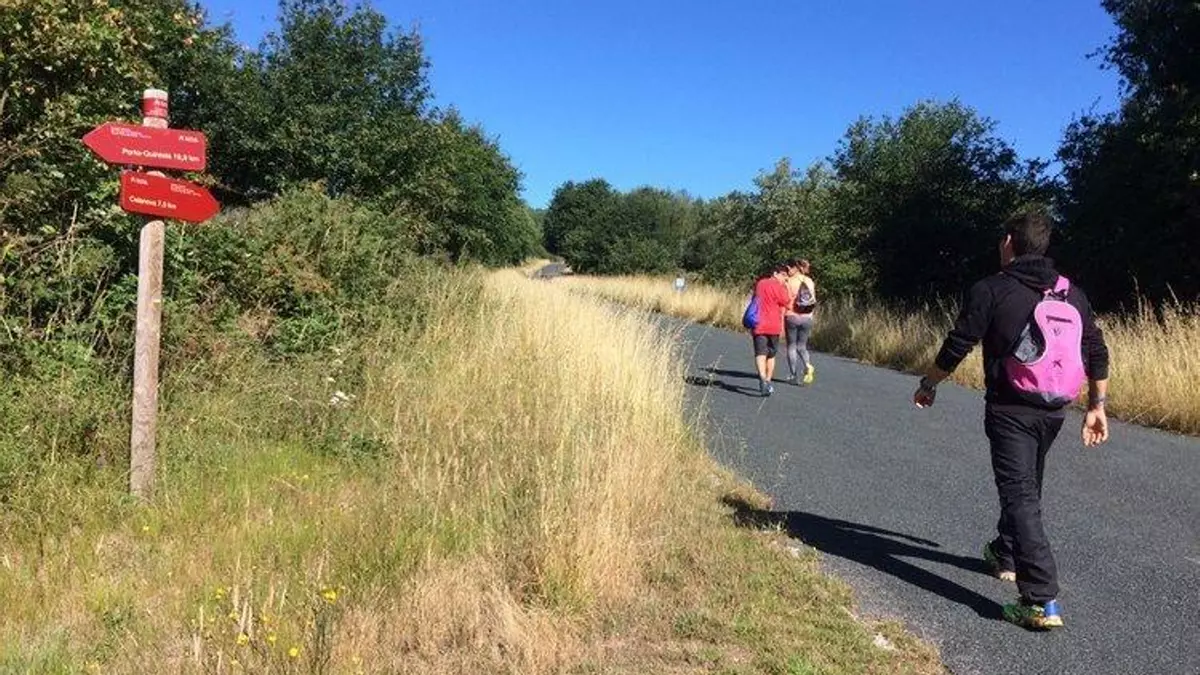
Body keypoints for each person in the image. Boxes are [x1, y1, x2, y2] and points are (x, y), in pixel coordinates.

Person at [912, 207, 1110, 631]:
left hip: (1010, 409)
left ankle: (1040, 599)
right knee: (1026, 484)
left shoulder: (992, 289)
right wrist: (1097, 406)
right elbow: (1096, 350)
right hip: (1055, 409)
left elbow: (959, 342)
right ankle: (1004, 552)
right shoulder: (1071, 294)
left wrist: (929, 383)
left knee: (1020, 493)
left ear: (1008, 243)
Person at [750, 263, 793, 396]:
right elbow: (788, 303)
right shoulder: (780, 287)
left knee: (760, 353)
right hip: (774, 325)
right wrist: (786, 287)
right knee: (771, 354)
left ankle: (762, 379)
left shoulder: (760, 283)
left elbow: (755, 298)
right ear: (775, 273)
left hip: (759, 323)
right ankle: (768, 381)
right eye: (783, 275)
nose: (785, 278)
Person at [784, 258, 817, 385]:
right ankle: (808, 365)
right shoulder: (809, 281)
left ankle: (793, 375)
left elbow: (785, 299)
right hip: (807, 317)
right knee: (802, 346)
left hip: (792, 316)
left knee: (791, 346)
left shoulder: (789, 281)